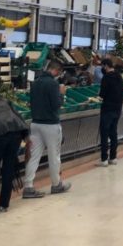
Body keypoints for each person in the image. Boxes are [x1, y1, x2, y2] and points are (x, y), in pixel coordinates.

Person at [22, 60, 71, 198]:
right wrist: (61, 93)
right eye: (59, 73)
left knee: (34, 156)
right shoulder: (53, 84)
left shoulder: (36, 82)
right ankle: (56, 184)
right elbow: (56, 105)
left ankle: (28, 187)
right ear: (56, 70)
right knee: (54, 156)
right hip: (51, 125)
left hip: (35, 124)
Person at [97, 58, 123, 166]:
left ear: (106, 66)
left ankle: (104, 159)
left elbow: (102, 95)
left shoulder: (106, 77)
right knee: (113, 133)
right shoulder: (119, 77)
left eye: (102, 66)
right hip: (117, 109)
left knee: (104, 134)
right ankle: (113, 158)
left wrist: (99, 96)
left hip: (107, 109)